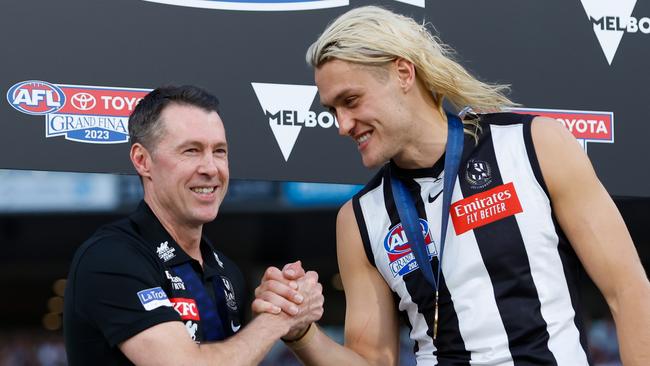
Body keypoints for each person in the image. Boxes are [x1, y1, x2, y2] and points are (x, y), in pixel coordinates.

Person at [253, 6, 650, 365]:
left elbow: (628, 291)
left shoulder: (535, 144)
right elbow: (372, 361)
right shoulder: (359, 219)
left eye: (351, 101)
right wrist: (302, 333)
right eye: (332, 110)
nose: (341, 125)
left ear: (403, 73)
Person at [63, 85, 323, 365]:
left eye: (219, 151)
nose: (211, 168)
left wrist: (292, 308)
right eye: (191, 151)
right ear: (142, 160)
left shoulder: (227, 272)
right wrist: (278, 317)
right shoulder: (110, 258)